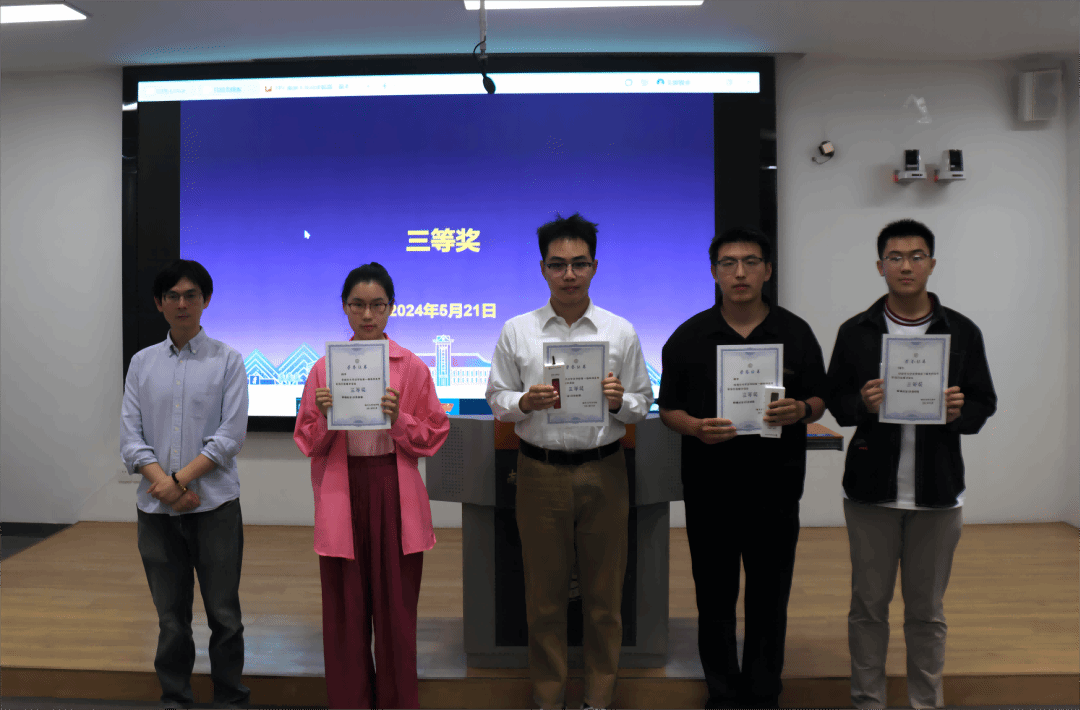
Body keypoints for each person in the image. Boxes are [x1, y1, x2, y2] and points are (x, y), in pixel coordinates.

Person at [826, 219, 997, 709]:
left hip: (938, 493)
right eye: (895, 257)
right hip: (870, 493)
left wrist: (961, 412)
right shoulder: (856, 331)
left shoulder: (961, 331)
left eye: (916, 256)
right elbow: (837, 401)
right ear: (880, 266)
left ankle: (927, 702)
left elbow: (984, 401)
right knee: (868, 608)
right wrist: (862, 404)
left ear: (932, 264)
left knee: (926, 611)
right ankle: (868, 701)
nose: (906, 265)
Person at [485, 213, 653, 710]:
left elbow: (643, 403)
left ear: (595, 266)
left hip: (605, 470)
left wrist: (620, 400)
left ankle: (598, 698)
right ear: (542, 269)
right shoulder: (517, 331)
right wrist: (524, 402)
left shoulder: (620, 331)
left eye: (579, 263)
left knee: (604, 599)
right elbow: (496, 398)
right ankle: (548, 697)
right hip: (539, 472)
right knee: (544, 599)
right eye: (558, 264)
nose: (569, 274)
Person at [656, 227, 828, 709]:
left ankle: (764, 689)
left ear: (767, 270)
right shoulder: (688, 337)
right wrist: (694, 427)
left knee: (770, 595)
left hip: (777, 487)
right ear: (714, 272)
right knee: (714, 596)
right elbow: (668, 409)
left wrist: (802, 410)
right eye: (728, 263)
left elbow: (820, 396)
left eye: (751, 262)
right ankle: (722, 691)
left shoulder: (795, 333)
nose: (739, 272)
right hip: (710, 490)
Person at [294, 262, 449, 710]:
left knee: (397, 612)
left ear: (391, 308)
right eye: (357, 305)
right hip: (341, 491)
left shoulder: (411, 367)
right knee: (345, 614)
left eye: (377, 305)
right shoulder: (323, 369)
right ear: (344, 308)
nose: (367, 315)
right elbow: (307, 441)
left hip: (394, 491)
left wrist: (398, 419)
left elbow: (434, 435)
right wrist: (326, 418)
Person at [120, 259, 250, 707]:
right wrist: (167, 486)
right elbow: (131, 439)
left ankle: (229, 697)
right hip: (156, 512)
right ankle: (175, 698)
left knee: (224, 615)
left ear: (205, 301)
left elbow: (229, 437)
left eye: (190, 295)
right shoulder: (141, 363)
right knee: (171, 619)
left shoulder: (228, 361)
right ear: (159, 304)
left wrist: (177, 480)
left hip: (215, 507)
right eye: (172, 296)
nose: (181, 304)